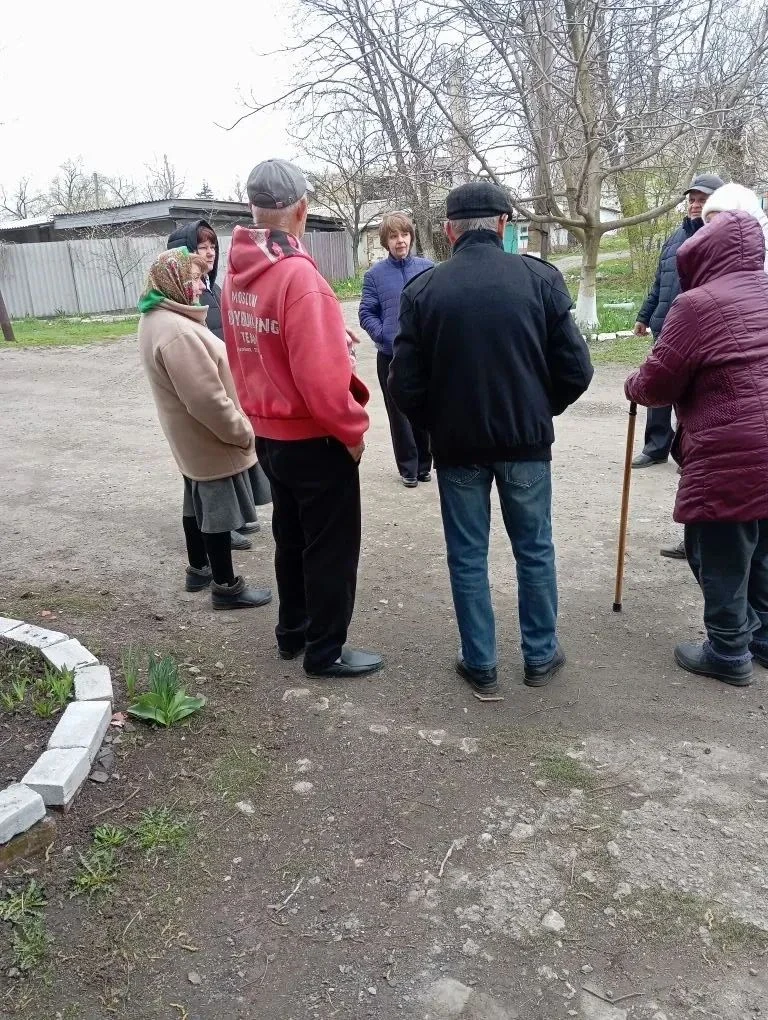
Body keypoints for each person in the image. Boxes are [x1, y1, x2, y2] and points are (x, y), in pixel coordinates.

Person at [389, 181, 593, 694]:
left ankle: (481, 663)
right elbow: (576, 369)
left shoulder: (424, 291)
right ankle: (540, 657)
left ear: (448, 230)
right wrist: (538, 410)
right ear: (504, 224)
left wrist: (439, 423)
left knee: (467, 554)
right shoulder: (539, 280)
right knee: (535, 549)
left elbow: (405, 385)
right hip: (525, 444)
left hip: (458, 449)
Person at [222, 158, 383, 679]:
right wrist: (352, 431)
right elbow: (318, 380)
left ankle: (291, 633)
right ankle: (325, 651)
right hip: (315, 438)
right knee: (330, 549)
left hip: (270, 433)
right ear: (302, 209)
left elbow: (253, 349)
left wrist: (331, 338)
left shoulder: (237, 273)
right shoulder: (298, 276)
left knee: (291, 539)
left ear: (253, 209)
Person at [625, 209, 768, 688]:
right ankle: (763, 637)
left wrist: (633, 386)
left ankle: (728, 651)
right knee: (764, 544)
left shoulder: (697, 305)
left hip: (731, 450)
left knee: (718, 548)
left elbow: (660, 380)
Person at [137, 247, 272, 611]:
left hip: (189, 437)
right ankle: (226, 587)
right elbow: (206, 400)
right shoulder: (177, 331)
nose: (200, 286)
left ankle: (198, 569)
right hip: (207, 437)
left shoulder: (157, 317)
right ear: (174, 282)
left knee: (195, 502)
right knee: (216, 510)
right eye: (194, 279)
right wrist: (241, 431)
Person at [166, 219, 267, 551]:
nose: (208, 253)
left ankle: (230, 523)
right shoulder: (185, 296)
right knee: (207, 470)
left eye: (212, 247)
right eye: (200, 247)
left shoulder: (211, 286)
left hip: (226, 380)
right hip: (203, 387)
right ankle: (219, 538)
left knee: (222, 464)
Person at [632, 174, 725, 473]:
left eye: (703, 200)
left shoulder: (719, 240)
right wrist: (644, 316)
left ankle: (692, 454)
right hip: (666, 326)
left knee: (695, 395)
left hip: (701, 328)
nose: (696, 205)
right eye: (692, 200)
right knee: (658, 384)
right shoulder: (674, 238)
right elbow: (660, 282)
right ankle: (656, 447)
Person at [359, 212, 433, 487]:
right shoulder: (375, 276)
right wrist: (384, 336)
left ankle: (425, 463)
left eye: (404, 234)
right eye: (393, 236)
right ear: (385, 242)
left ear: (411, 237)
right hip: (390, 357)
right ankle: (408, 468)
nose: (400, 241)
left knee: (423, 409)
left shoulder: (428, 269)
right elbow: (366, 312)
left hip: (423, 357)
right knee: (398, 414)